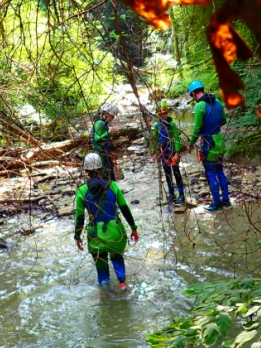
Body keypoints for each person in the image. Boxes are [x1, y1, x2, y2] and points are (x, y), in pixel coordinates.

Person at [74, 152, 139, 289]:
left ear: (85, 170)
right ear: (101, 168)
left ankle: (106, 292)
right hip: (116, 232)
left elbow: (79, 217)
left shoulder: (82, 191)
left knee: (101, 266)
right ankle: (122, 282)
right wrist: (133, 228)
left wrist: (77, 236)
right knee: (117, 257)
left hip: (95, 235)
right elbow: (125, 208)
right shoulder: (113, 186)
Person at [188, 80, 231, 211]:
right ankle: (226, 200)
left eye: (192, 96)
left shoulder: (199, 106)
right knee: (220, 171)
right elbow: (223, 119)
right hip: (219, 141)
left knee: (210, 172)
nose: (193, 98)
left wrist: (190, 144)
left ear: (194, 93)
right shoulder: (217, 102)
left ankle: (216, 204)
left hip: (208, 143)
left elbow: (197, 128)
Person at [151, 101, 185, 204]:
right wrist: (154, 152)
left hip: (173, 150)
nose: (162, 116)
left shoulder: (172, 124)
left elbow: (176, 138)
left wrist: (177, 152)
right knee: (167, 173)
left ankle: (181, 194)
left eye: (164, 114)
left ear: (167, 113)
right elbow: (155, 139)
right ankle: (171, 194)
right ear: (158, 115)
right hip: (163, 152)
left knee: (176, 172)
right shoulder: (157, 126)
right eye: (160, 114)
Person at [91, 102, 119, 181]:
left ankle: (112, 189)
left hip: (106, 151)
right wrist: (108, 132)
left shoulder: (104, 123)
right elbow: (96, 138)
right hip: (101, 153)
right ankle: (107, 190)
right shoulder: (99, 123)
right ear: (106, 113)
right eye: (112, 116)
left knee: (110, 171)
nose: (113, 118)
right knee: (105, 173)